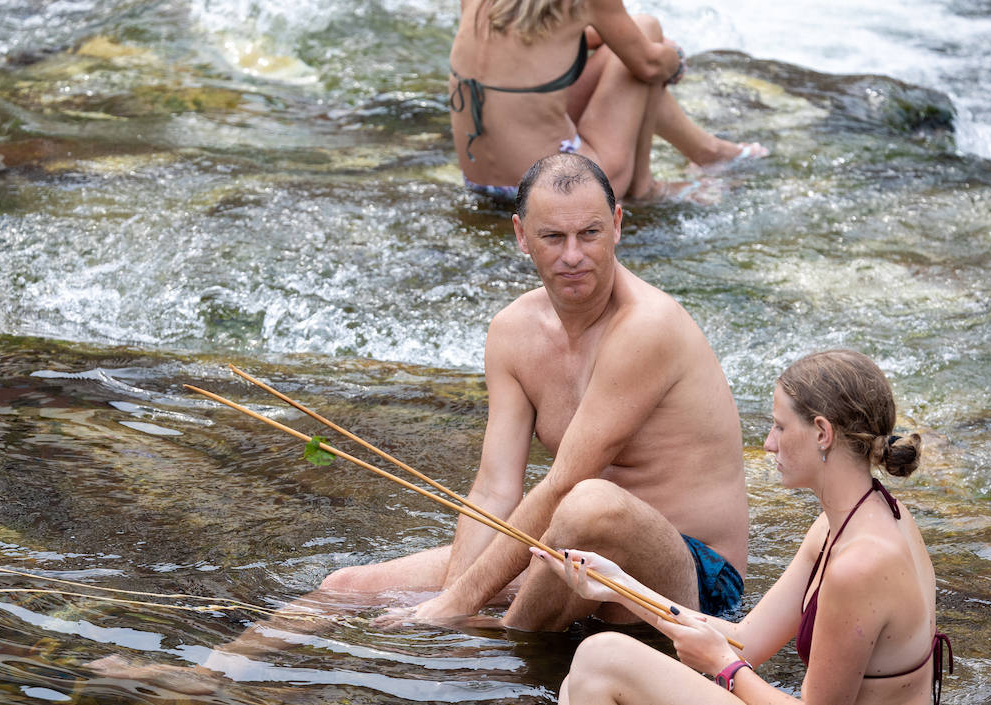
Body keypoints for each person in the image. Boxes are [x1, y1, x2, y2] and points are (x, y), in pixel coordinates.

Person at [324, 152, 749, 631]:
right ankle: (224, 676)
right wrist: (454, 594)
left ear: (617, 225)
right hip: (572, 552)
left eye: (589, 233)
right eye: (553, 237)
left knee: (590, 503)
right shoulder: (512, 332)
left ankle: (504, 640)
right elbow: (493, 488)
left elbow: (566, 484)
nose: (573, 255)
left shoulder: (647, 326)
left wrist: (459, 604)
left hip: (691, 577)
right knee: (345, 588)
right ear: (522, 236)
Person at [531, 349, 950, 705]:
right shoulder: (853, 519)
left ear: (822, 432)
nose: (768, 444)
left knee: (600, 661)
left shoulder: (859, 565)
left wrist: (725, 669)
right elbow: (746, 640)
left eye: (780, 426)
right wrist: (620, 587)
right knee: (578, 686)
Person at [448, 0, 767, 202]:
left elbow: (557, 41)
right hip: (559, 189)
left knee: (635, 44)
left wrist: (629, 41)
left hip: (481, 182)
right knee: (648, 30)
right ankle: (645, 188)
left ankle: (707, 150)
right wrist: (673, 57)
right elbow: (650, 65)